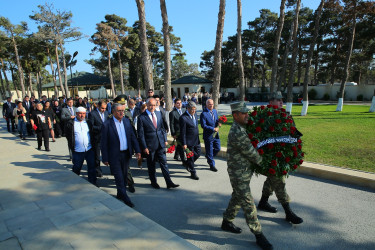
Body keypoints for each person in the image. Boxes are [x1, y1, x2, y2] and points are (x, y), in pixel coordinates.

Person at [221, 101, 272, 250]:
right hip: (238, 173)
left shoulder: (242, 126)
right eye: (243, 113)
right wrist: (268, 164)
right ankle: (259, 235)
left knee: (237, 197)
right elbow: (252, 153)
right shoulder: (237, 132)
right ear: (235, 115)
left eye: (246, 112)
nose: (246, 115)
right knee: (248, 202)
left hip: (244, 171)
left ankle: (226, 222)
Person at [256, 91, 303, 225]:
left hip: (283, 156)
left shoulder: (286, 115)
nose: (281, 102)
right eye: (278, 100)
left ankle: (263, 202)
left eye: (282, 99)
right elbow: (256, 135)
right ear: (270, 102)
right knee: (279, 181)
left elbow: (293, 132)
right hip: (269, 157)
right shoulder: (262, 117)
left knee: (272, 180)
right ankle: (288, 212)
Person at [101, 103, 141, 208]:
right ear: (113, 112)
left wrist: (137, 150)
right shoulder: (107, 124)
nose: (121, 112)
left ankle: (120, 193)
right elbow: (103, 143)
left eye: (123, 110)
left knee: (123, 176)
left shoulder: (127, 122)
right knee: (118, 177)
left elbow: (133, 137)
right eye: (119, 111)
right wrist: (105, 158)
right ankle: (126, 198)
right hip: (114, 155)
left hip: (126, 154)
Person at [137, 98, 179, 189]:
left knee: (164, 163)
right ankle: (153, 182)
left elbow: (162, 128)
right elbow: (141, 134)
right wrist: (144, 147)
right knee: (151, 165)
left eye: (154, 105)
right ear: (147, 105)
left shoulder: (158, 113)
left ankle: (169, 182)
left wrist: (165, 140)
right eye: (150, 105)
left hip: (160, 144)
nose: (152, 107)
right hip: (150, 145)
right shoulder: (141, 117)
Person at [65, 107, 96, 185]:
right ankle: (75, 182)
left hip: (89, 149)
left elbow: (92, 133)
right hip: (77, 151)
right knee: (77, 167)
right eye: (80, 113)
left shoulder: (88, 122)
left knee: (92, 167)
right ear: (76, 114)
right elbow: (68, 135)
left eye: (84, 113)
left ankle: (92, 183)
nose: (82, 115)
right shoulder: (71, 123)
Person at [179, 101, 201, 180]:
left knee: (198, 153)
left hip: (196, 140)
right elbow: (183, 132)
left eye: (195, 109)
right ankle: (193, 172)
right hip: (188, 141)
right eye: (192, 109)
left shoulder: (194, 115)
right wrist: (184, 143)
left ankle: (188, 163)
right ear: (188, 108)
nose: (194, 111)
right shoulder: (183, 118)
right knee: (191, 157)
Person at [88, 100, 108, 178]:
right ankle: (98, 171)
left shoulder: (106, 113)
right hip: (96, 138)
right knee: (97, 156)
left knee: (107, 154)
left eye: (105, 108)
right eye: (102, 108)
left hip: (105, 138)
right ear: (98, 107)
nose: (104, 110)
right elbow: (91, 127)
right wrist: (101, 128)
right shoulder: (92, 114)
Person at [200, 99, 221, 172]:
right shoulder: (203, 114)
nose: (211, 105)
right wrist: (213, 129)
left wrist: (219, 123)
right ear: (206, 105)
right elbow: (203, 125)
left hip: (216, 135)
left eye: (212, 104)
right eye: (209, 104)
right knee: (209, 151)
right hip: (208, 135)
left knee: (218, 148)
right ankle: (212, 165)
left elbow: (216, 120)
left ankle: (209, 157)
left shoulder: (215, 111)